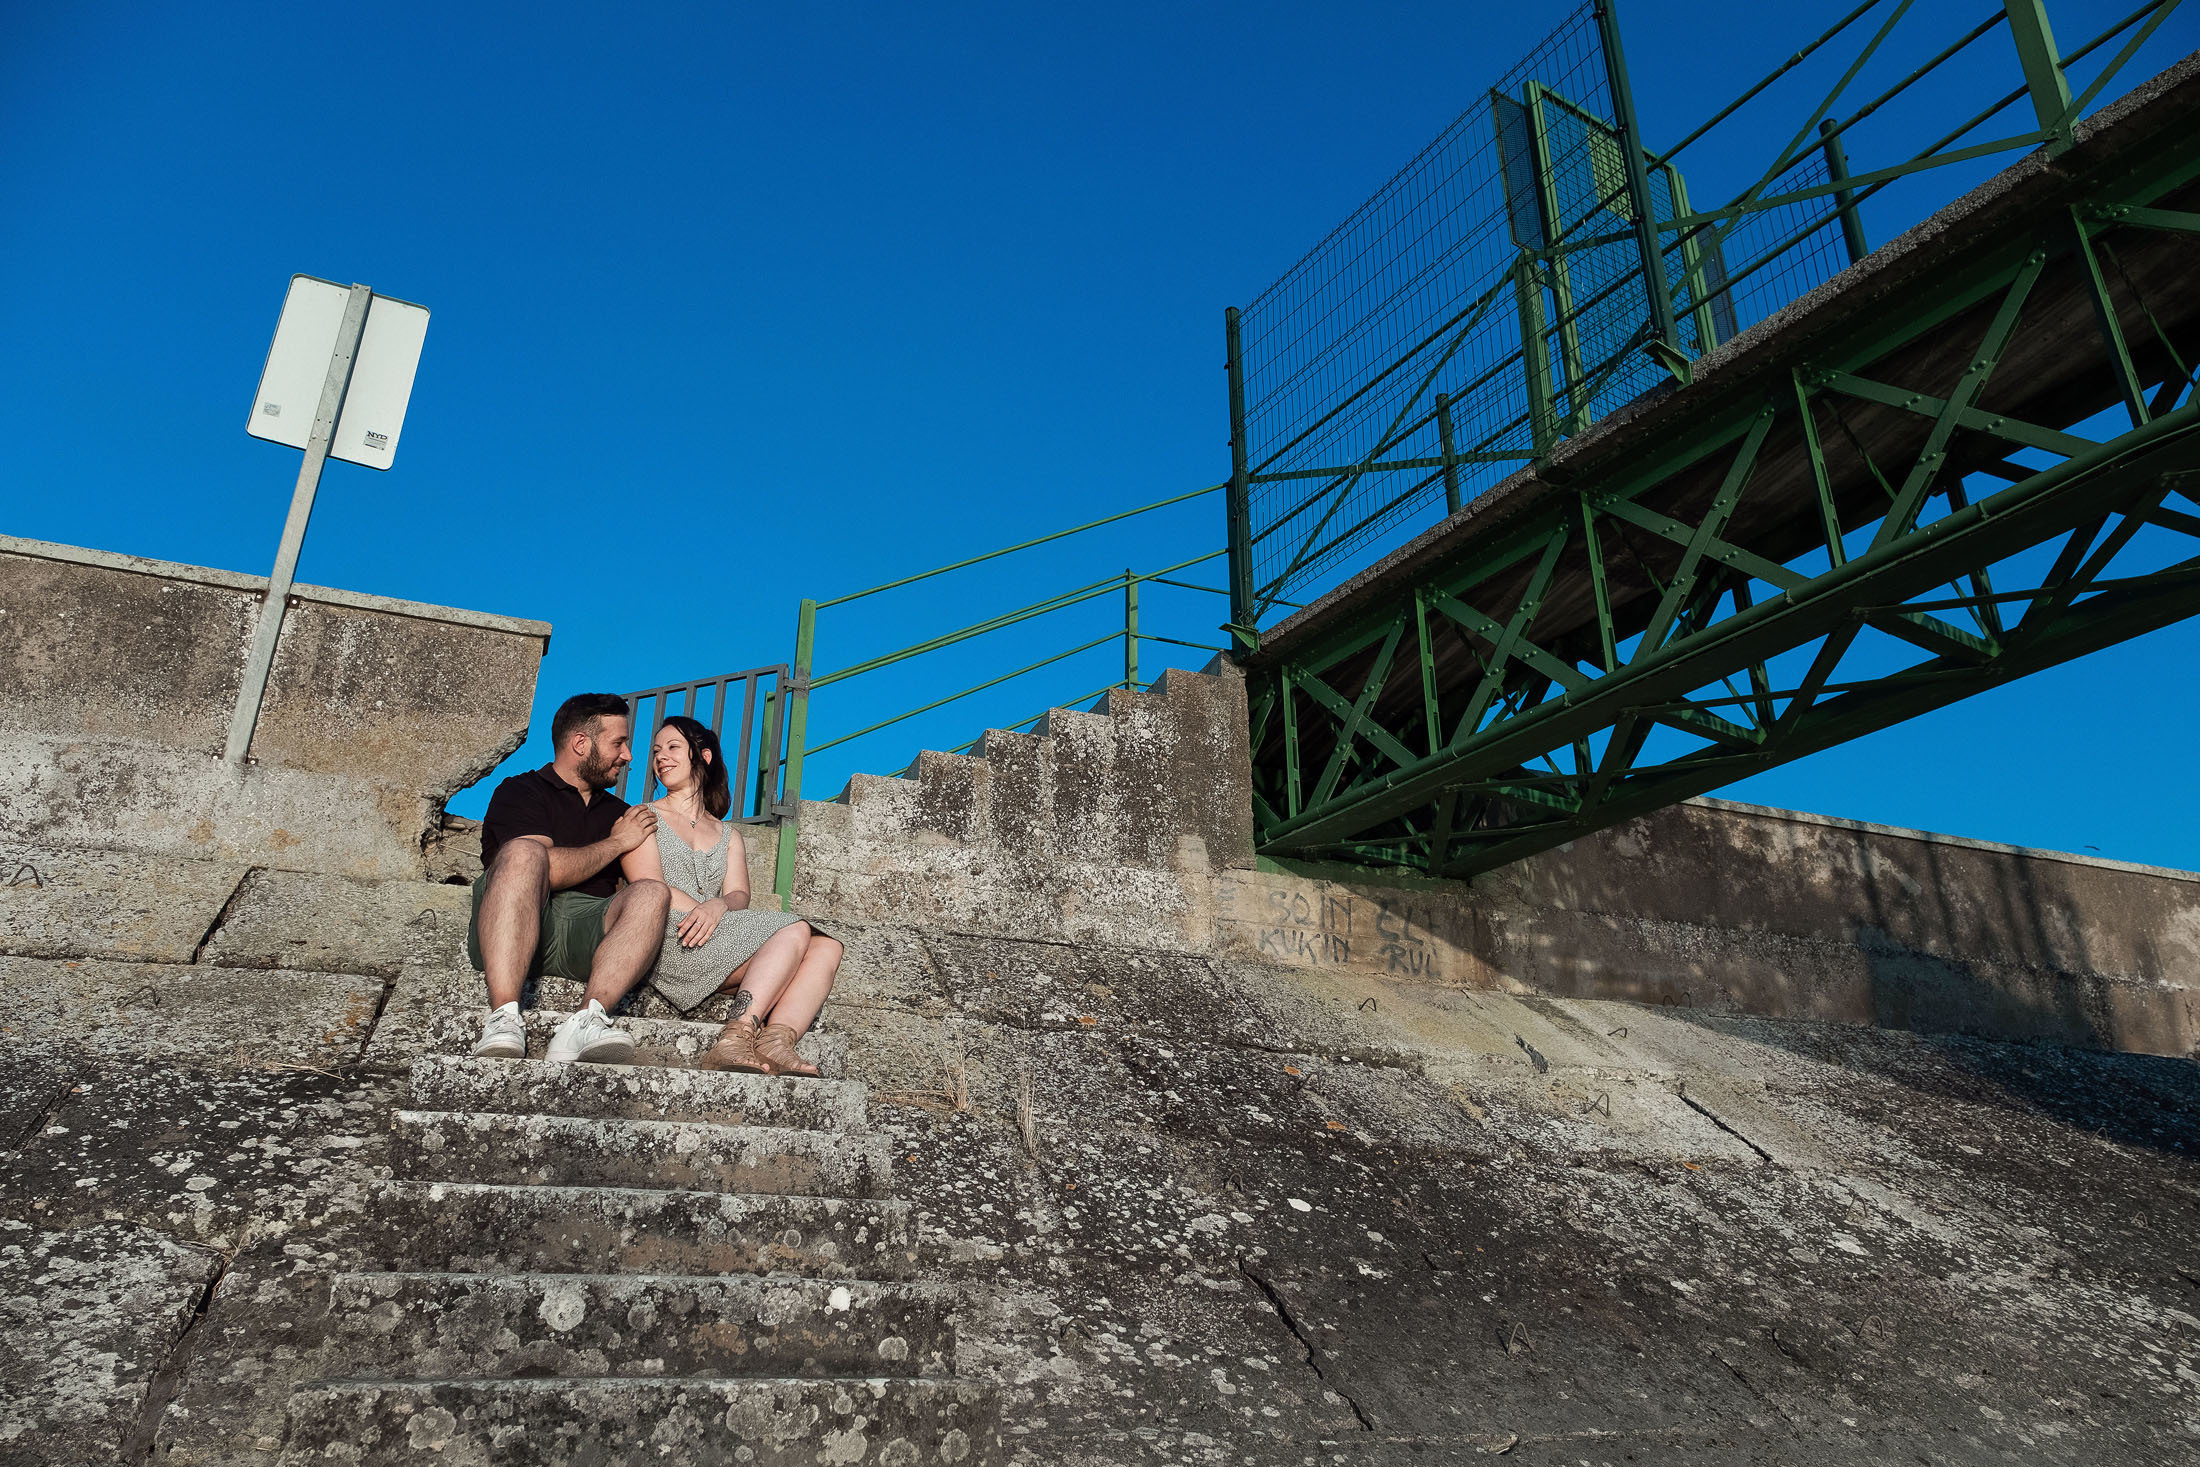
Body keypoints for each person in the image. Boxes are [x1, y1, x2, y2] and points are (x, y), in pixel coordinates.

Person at [620, 714, 843, 1076]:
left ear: (703, 757)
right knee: (796, 929)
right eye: (657, 750)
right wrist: (704, 911)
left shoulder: (728, 835)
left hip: (715, 935)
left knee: (828, 946)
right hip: (669, 938)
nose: (661, 757)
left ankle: (776, 1044)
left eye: (673, 747)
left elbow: (739, 894)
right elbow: (647, 884)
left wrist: (717, 906)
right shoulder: (642, 816)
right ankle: (734, 1038)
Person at [466, 692, 672, 1064]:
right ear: (581, 743)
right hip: (515, 923)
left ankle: (586, 1020)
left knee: (652, 893)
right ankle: (503, 1017)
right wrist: (616, 843)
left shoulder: (621, 813)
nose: (628, 756)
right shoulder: (520, 790)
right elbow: (546, 870)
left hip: (587, 931)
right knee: (525, 852)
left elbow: (649, 892)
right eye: (618, 743)